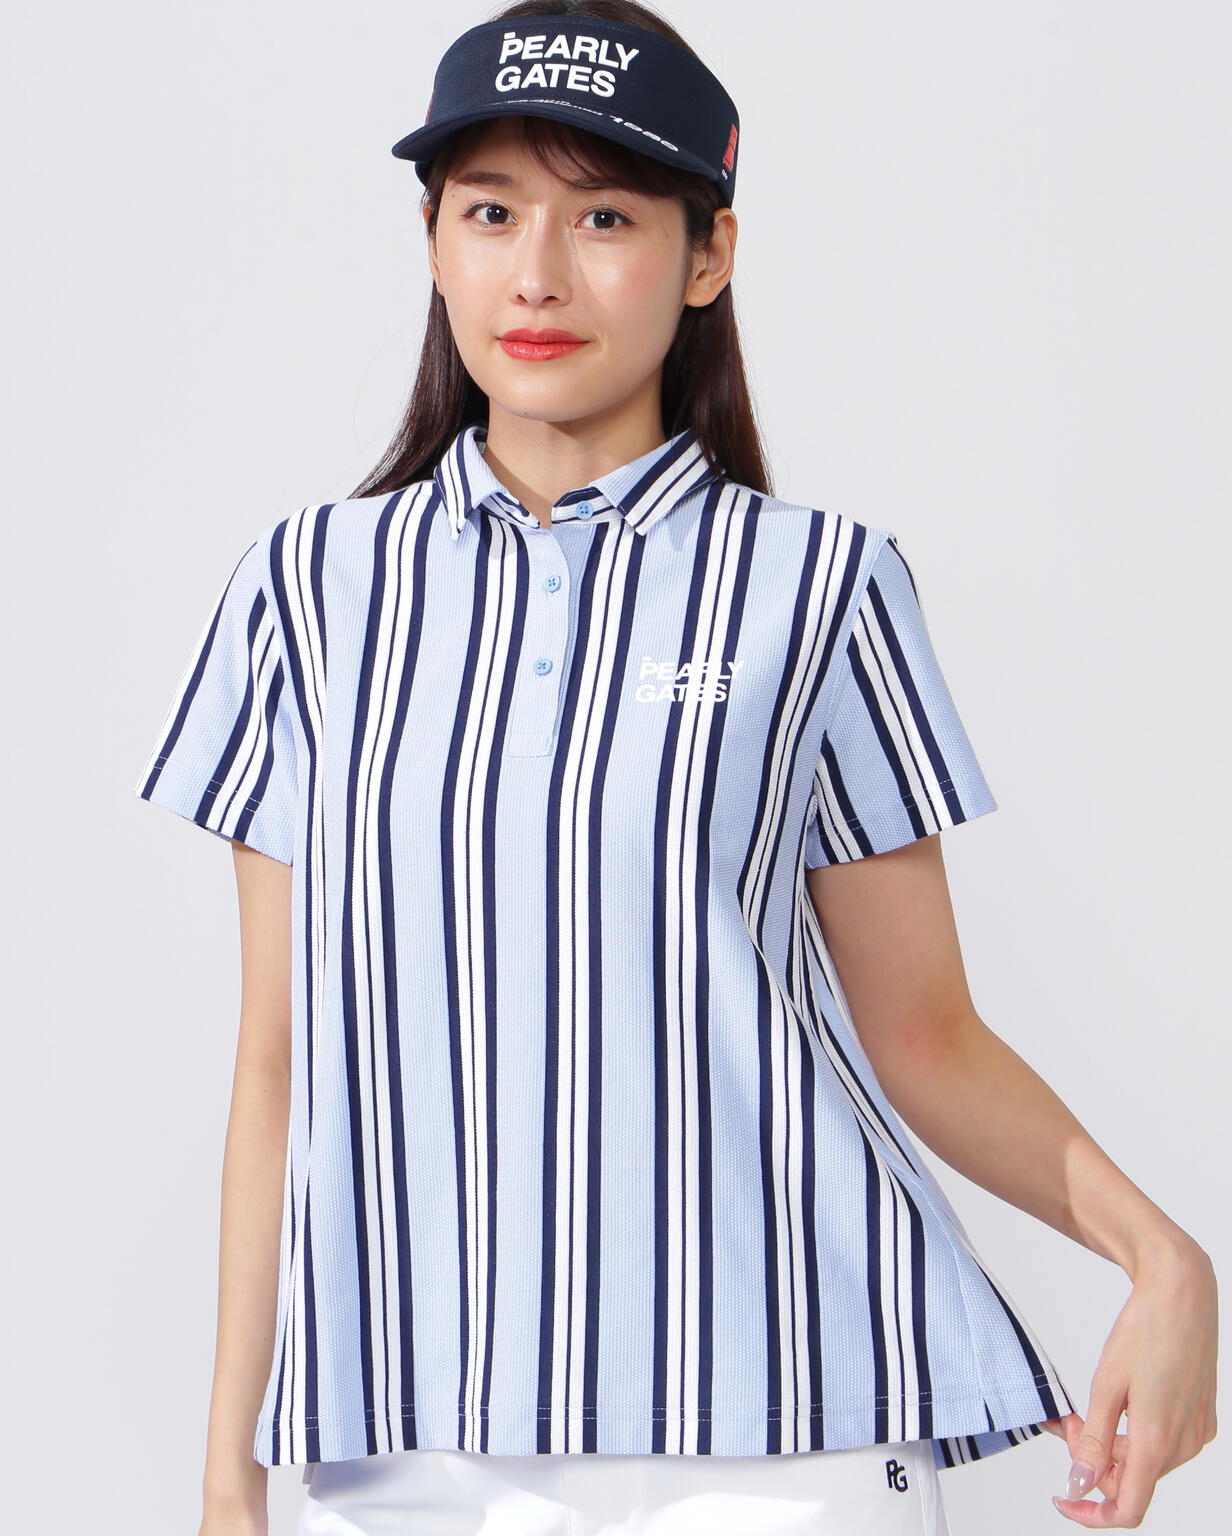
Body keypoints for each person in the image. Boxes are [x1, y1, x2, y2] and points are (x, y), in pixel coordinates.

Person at [132, 3, 1218, 1533]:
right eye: (491, 212)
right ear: (431, 240)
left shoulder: (820, 587)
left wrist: (1164, 1258)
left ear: (708, 256)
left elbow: (924, 1035)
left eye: (606, 218)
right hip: (406, 1456)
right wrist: (226, 1482)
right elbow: (279, 1064)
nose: (538, 273)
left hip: (786, 1436)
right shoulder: (307, 593)